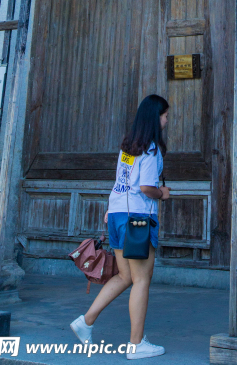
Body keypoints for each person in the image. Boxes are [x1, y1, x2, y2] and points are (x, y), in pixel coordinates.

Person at [70, 95, 171, 359]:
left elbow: (121, 183)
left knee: (125, 276)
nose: (167, 120)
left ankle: (86, 321)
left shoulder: (128, 147)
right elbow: (146, 188)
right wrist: (163, 193)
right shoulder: (151, 149)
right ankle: (136, 345)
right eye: (164, 115)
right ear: (154, 117)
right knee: (141, 280)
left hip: (116, 215)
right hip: (137, 219)